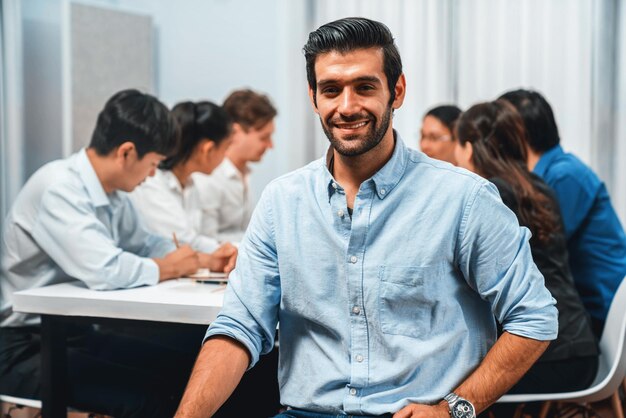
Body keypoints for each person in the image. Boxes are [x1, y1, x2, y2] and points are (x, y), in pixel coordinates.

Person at [175, 18, 558, 418]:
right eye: (331, 90)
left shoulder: (464, 199)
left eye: (364, 87)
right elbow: (240, 326)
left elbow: (534, 317)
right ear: (313, 97)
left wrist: (453, 409)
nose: (347, 107)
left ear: (397, 91)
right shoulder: (281, 202)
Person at [0, 89, 202, 417]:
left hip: (73, 332)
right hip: (22, 344)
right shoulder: (59, 187)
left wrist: (199, 260)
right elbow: (106, 271)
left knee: (186, 366)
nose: (153, 175)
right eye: (153, 165)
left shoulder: (113, 193)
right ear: (126, 152)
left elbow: (146, 243)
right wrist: (173, 268)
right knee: (150, 397)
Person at [454, 99, 598, 395]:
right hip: (579, 350)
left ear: (468, 149)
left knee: (444, 375)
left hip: (544, 355)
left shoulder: (491, 197)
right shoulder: (541, 185)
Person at [499, 88, 626, 337]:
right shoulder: (544, 176)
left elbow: (535, 250)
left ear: (517, 132)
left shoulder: (563, 175)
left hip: (599, 310)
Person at [131, 101, 237, 272]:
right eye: (225, 148)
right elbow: (184, 241)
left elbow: (194, 239)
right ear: (207, 149)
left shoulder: (190, 184)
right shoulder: (152, 184)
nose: (225, 157)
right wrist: (229, 250)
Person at [193, 89, 277, 243]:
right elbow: (204, 240)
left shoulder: (244, 173)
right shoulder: (208, 176)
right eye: (264, 137)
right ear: (235, 132)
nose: (270, 145)